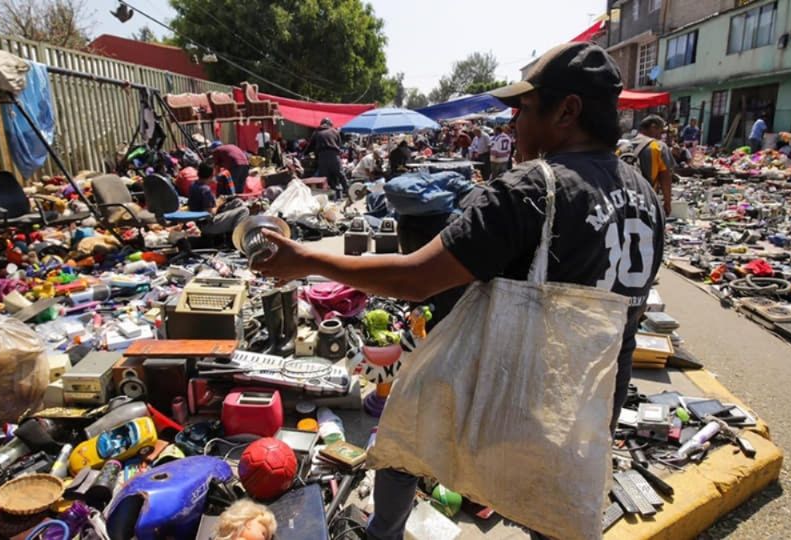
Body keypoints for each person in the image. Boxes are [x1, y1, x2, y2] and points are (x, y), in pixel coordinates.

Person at [251, 42, 664, 540]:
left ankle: (383, 533)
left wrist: (304, 260)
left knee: (406, 430)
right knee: (552, 514)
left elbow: (414, 278)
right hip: (588, 409)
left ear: (568, 111)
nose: (513, 125)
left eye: (525, 109)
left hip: (517, 395)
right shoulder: (643, 192)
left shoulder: (531, 188)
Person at [623, 115, 674, 215]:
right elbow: (665, 176)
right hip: (646, 202)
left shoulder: (623, 147)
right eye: (660, 131)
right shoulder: (658, 146)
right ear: (653, 127)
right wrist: (667, 202)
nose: (660, 136)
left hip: (622, 202)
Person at [188, 163, 250, 236]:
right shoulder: (205, 190)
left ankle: (230, 233)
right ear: (211, 175)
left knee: (237, 202)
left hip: (198, 220)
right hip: (206, 225)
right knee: (244, 211)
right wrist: (219, 202)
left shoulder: (194, 184)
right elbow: (210, 214)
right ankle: (237, 238)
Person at [308, 118, 350, 198]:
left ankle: (326, 195)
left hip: (322, 157)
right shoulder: (335, 131)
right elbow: (339, 145)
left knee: (324, 177)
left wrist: (303, 154)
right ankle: (348, 191)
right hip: (334, 156)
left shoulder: (317, 132)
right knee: (340, 174)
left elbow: (310, 146)